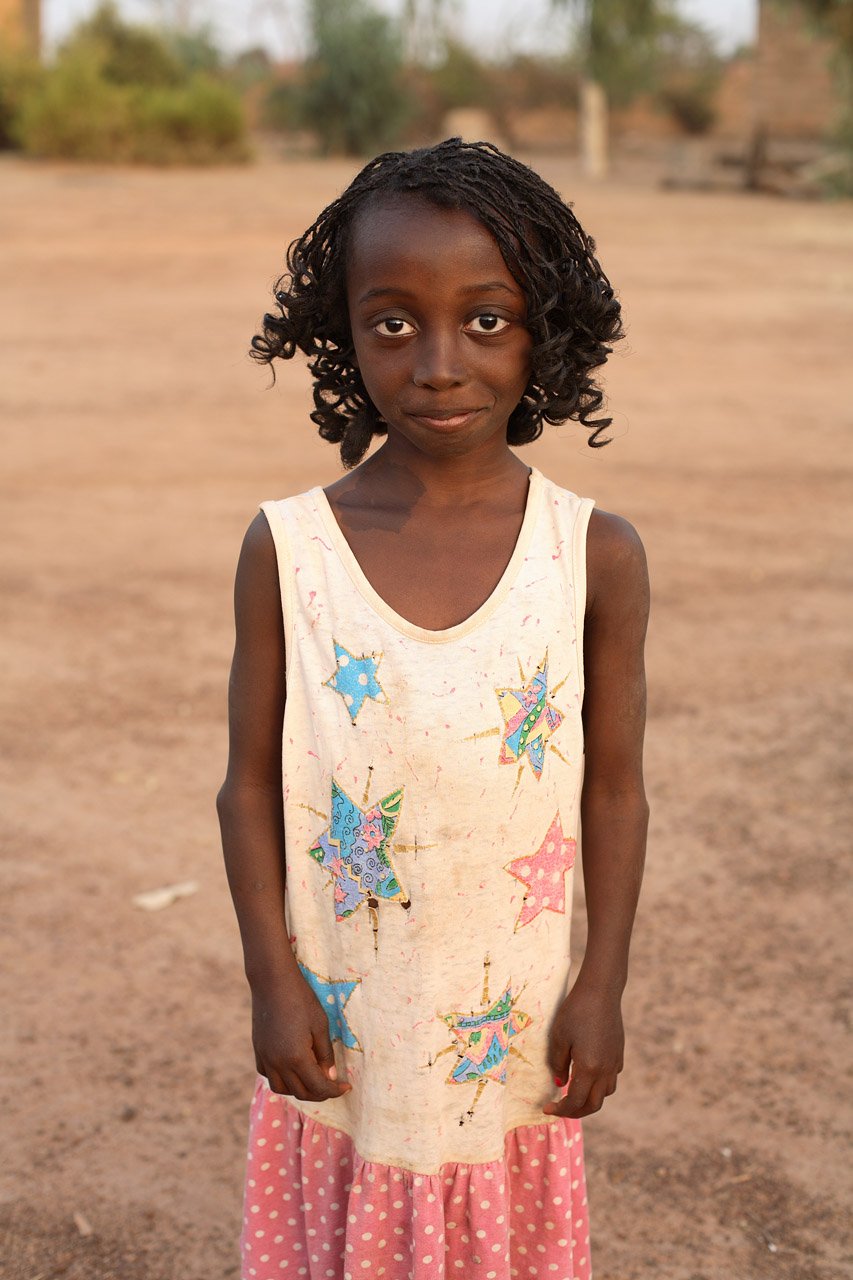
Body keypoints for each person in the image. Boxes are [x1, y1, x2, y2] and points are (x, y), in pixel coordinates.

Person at [217, 137, 649, 1280]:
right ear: (342, 331)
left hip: (506, 1030)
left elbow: (612, 784)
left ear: (541, 326)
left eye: (487, 319)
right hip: (351, 1023)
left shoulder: (593, 553)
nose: (439, 363)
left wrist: (600, 982)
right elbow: (249, 781)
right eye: (393, 322)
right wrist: (272, 978)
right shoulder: (290, 549)